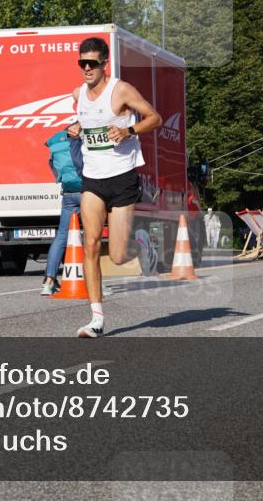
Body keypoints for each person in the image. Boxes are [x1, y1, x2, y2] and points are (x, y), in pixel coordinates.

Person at [67, 37, 162, 338]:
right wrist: (76, 129)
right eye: (82, 63)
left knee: (119, 256)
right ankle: (96, 318)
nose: (86, 68)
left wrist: (128, 130)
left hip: (122, 178)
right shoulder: (78, 94)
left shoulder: (120, 90)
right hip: (93, 179)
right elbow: (87, 123)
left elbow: (155, 118)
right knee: (91, 243)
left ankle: (142, 244)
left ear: (104, 64)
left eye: (91, 63)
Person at [40, 127, 84, 296]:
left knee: (61, 236)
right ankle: (97, 283)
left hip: (68, 192)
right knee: (92, 236)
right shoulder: (82, 137)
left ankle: (48, 282)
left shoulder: (56, 140)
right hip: (86, 191)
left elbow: (53, 165)